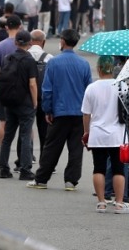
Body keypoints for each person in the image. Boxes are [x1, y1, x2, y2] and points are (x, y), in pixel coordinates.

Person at [27, 29, 92, 190]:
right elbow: (88, 90)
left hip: (60, 111)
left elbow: (47, 89)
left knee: (52, 146)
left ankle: (42, 178)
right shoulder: (84, 64)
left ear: (62, 41)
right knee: (76, 148)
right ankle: (71, 180)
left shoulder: (54, 62)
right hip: (78, 111)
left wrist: (48, 110)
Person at [81, 55, 129, 214]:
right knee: (118, 169)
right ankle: (118, 203)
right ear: (112, 69)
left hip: (97, 134)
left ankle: (101, 202)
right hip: (117, 134)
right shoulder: (122, 86)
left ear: (98, 69)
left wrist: (86, 132)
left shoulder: (91, 88)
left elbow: (86, 114)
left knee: (99, 168)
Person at [0, 30, 39, 180]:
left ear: (15, 43)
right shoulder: (29, 60)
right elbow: (32, 84)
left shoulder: (8, 58)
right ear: (29, 43)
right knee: (25, 135)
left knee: (8, 136)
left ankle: (3, 168)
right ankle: (25, 169)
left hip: (10, 102)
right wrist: (35, 102)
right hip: (25, 102)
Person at [0, 15, 23, 155]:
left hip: (4, 87)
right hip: (22, 87)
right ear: (20, 26)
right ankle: (26, 152)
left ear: (6, 27)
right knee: (25, 124)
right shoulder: (25, 45)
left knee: (3, 122)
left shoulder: (0, 46)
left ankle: (2, 152)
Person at [28, 29, 53, 162]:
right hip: (44, 99)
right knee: (45, 133)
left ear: (30, 41)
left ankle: (27, 158)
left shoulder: (25, 56)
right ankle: (46, 161)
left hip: (27, 99)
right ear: (43, 42)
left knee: (26, 129)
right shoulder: (50, 58)